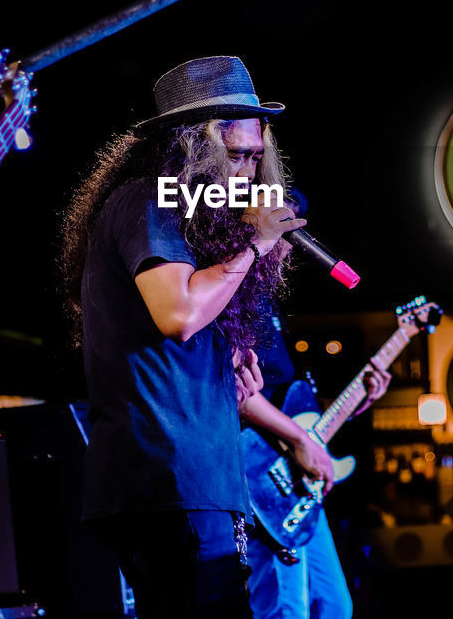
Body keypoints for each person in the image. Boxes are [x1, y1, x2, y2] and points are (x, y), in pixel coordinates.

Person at [59, 55, 301, 619]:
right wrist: (256, 243)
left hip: (201, 481)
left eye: (254, 156)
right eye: (235, 156)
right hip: (167, 478)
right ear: (192, 148)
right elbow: (180, 313)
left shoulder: (187, 223)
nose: (246, 173)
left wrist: (231, 360)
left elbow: (192, 327)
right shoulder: (148, 200)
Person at [239, 294, 391, 619]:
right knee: (287, 609)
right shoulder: (233, 292)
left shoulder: (268, 301)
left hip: (296, 482)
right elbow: (237, 392)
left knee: (335, 606)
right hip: (262, 479)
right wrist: (299, 439)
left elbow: (293, 405)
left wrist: (355, 404)